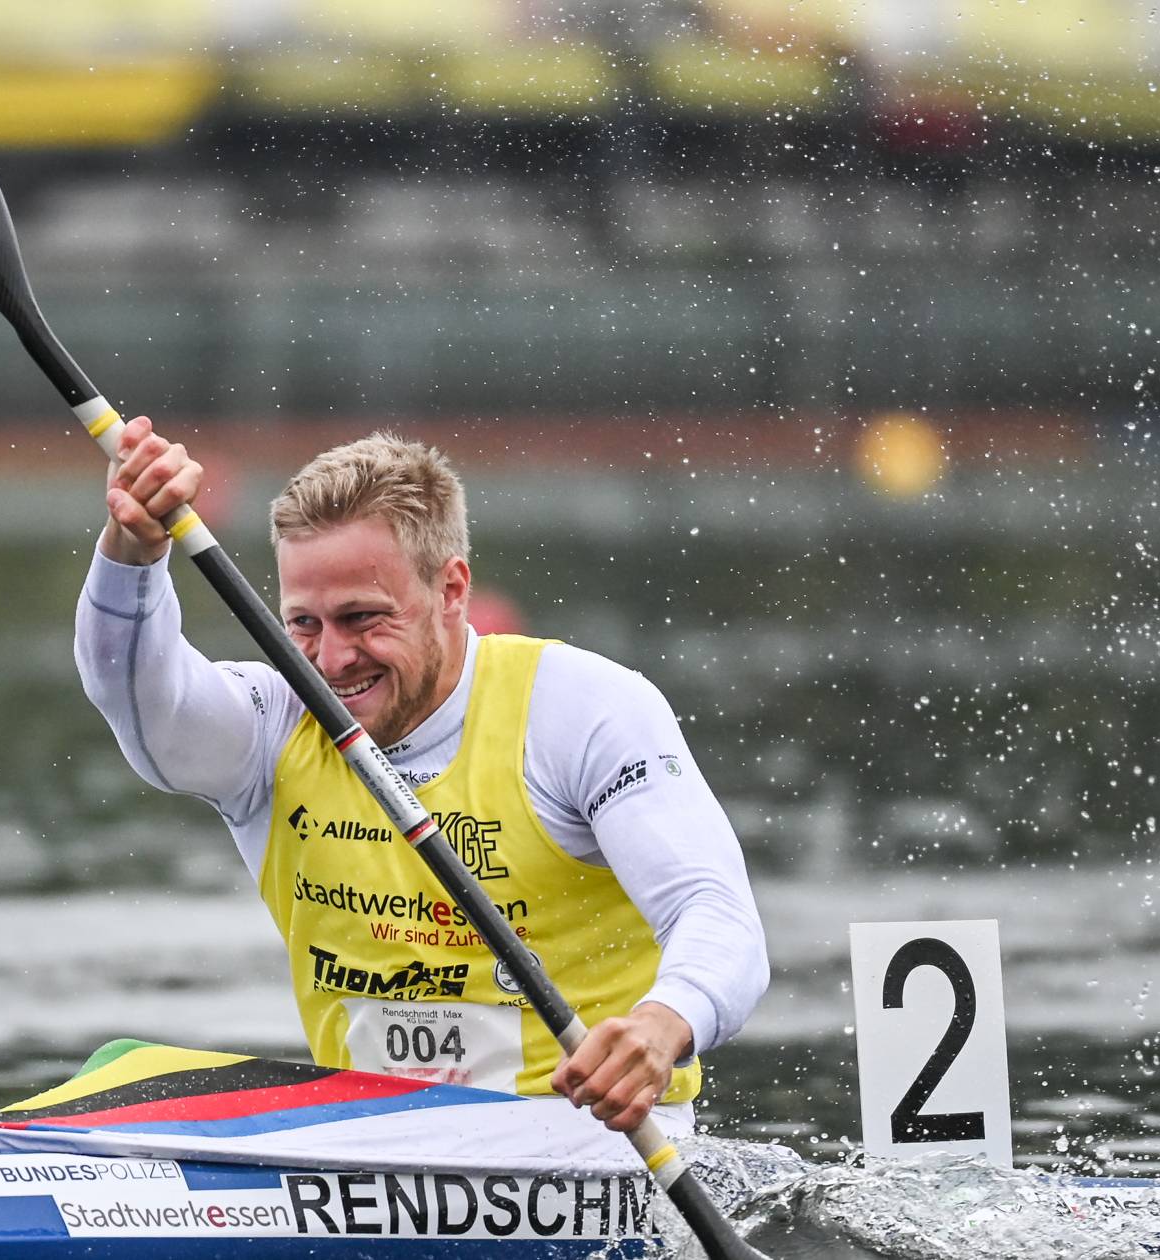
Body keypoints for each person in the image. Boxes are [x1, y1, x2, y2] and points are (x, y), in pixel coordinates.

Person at [75, 417, 768, 1136]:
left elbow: (716, 912)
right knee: (118, 1071)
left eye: (363, 618)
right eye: (303, 624)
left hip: (583, 1136)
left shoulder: (580, 709)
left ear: (451, 590)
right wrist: (132, 553)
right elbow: (139, 698)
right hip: (369, 1136)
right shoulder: (274, 722)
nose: (332, 659)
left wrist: (663, 1023)